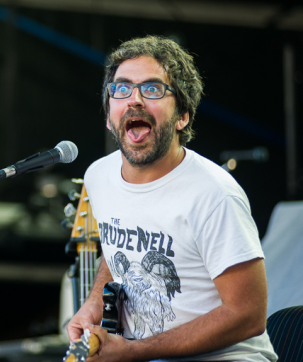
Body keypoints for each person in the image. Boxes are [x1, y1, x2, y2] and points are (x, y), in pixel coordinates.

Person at [67, 36, 277, 362]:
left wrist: (134, 351)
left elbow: (248, 314)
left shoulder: (214, 194)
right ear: (110, 116)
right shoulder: (98, 177)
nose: (134, 99)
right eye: (121, 89)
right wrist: (95, 300)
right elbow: (118, 244)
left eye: (152, 89)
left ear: (182, 117)